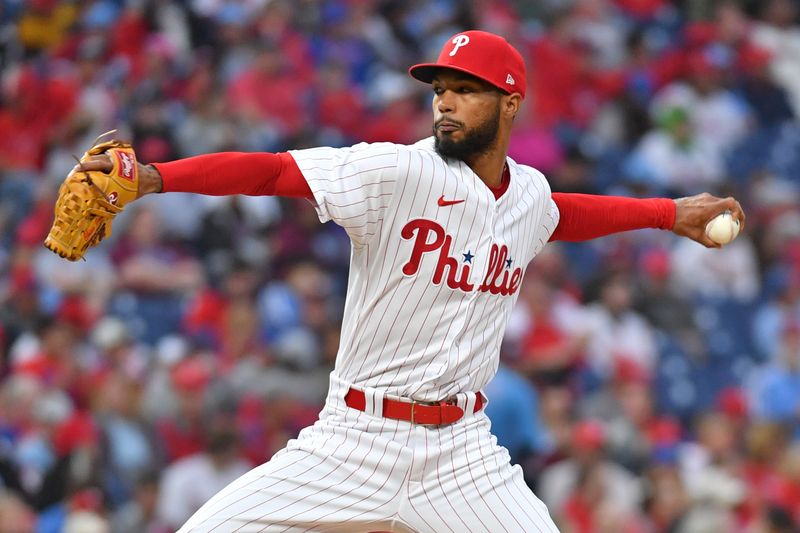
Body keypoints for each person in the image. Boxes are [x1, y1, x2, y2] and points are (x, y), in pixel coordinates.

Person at [77, 30, 745, 533]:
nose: (445, 102)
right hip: (354, 438)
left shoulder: (530, 195)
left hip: (462, 452)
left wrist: (668, 214)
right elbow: (274, 172)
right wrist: (156, 176)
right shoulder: (399, 172)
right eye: (439, 90)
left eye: (465, 89)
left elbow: (560, 214)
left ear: (509, 102)